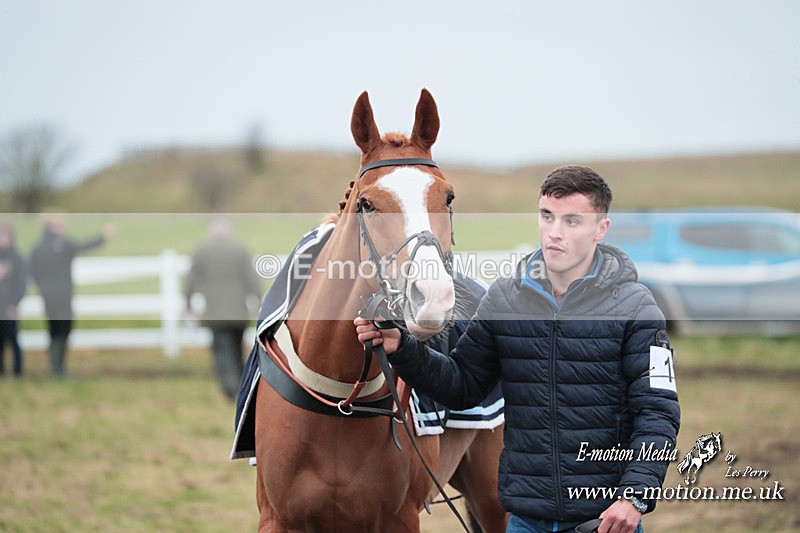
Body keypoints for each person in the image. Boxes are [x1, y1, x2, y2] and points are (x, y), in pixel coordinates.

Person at [356, 166, 680, 533]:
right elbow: (462, 384)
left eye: (572, 221)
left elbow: (658, 412)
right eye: (547, 217)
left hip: (605, 520)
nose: (554, 233)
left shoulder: (638, 309)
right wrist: (404, 349)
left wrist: (634, 496)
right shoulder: (504, 300)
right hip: (526, 520)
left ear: (600, 229)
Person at [185, 217, 262, 400]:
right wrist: (259, 304)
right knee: (236, 348)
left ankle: (229, 384)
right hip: (239, 313)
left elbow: (191, 280)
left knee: (221, 349)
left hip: (214, 313)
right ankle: (242, 384)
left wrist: (187, 304)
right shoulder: (240, 249)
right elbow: (253, 280)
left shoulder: (202, 250)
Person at [30, 214, 112, 377]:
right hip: (63, 295)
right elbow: (84, 246)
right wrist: (104, 236)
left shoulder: (37, 247)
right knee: (64, 329)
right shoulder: (63, 244)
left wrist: (43, 288)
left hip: (47, 296)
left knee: (53, 329)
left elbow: (33, 272)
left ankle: (55, 366)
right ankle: (59, 368)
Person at [0, 223, 27, 377]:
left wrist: (14, 304)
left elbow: (21, 284)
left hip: (9, 306)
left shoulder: (17, 258)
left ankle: (18, 372)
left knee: (13, 339)